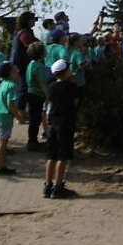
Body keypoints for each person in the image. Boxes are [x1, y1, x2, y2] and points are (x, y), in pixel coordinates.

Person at [44, 59, 80, 198]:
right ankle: (58, 187)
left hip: (53, 123)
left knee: (51, 156)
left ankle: (48, 186)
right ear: (65, 72)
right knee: (62, 157)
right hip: (65, 123)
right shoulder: (72, 87)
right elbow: (75, 103)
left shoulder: (51, 87)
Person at [0, 62, 27, 175]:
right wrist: (19, 117)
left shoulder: (3, 83)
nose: (17, 69)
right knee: (3, 143)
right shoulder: (11, 85)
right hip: (4, 118)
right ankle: (0, 167)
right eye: (14, 68)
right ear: (10, 72)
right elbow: (10, 104)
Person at [24, 42, 49, 151]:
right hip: (37, 95)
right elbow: (41, 82)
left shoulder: (31, 64)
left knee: (34, 119)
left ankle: (32, 140)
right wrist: (47, 95)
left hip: (30, 93)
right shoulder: (38, 66)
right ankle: (32, 142)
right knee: (35, 120)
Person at [9, 11, 40, 100]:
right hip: (21, 67)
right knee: (23, 90)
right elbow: (29, 46)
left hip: (19, 65)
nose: (35, 21)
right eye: (34, 19)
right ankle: (20, 109)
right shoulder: (24, 33)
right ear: (28, 20)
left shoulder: (22, 32)